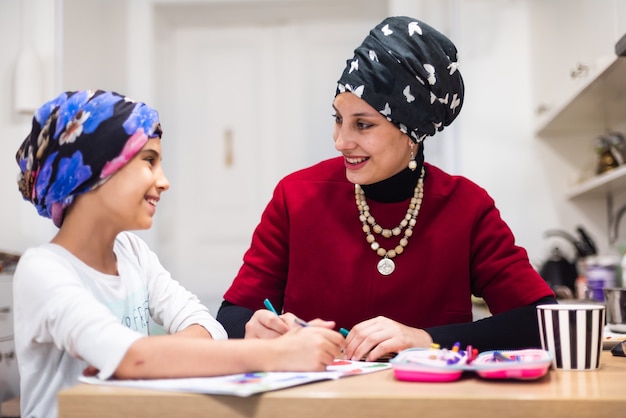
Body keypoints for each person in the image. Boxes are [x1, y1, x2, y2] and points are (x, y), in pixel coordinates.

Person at [217, 16, 556, 361]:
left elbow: (542, 321)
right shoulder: (297, 196)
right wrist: (252, 328)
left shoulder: (466, 207)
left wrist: (425, 340)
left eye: (363, 125)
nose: (340, 141)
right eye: (338, 119)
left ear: (412, 130)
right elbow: (230, 316)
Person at [13, 90, 344, 418]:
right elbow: (133, 358)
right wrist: (277, 354)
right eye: (149, 161)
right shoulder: (42, 270)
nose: (164, 181)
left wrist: (148, 357)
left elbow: (209, 328)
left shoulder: (133, 253)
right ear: (94, 170)